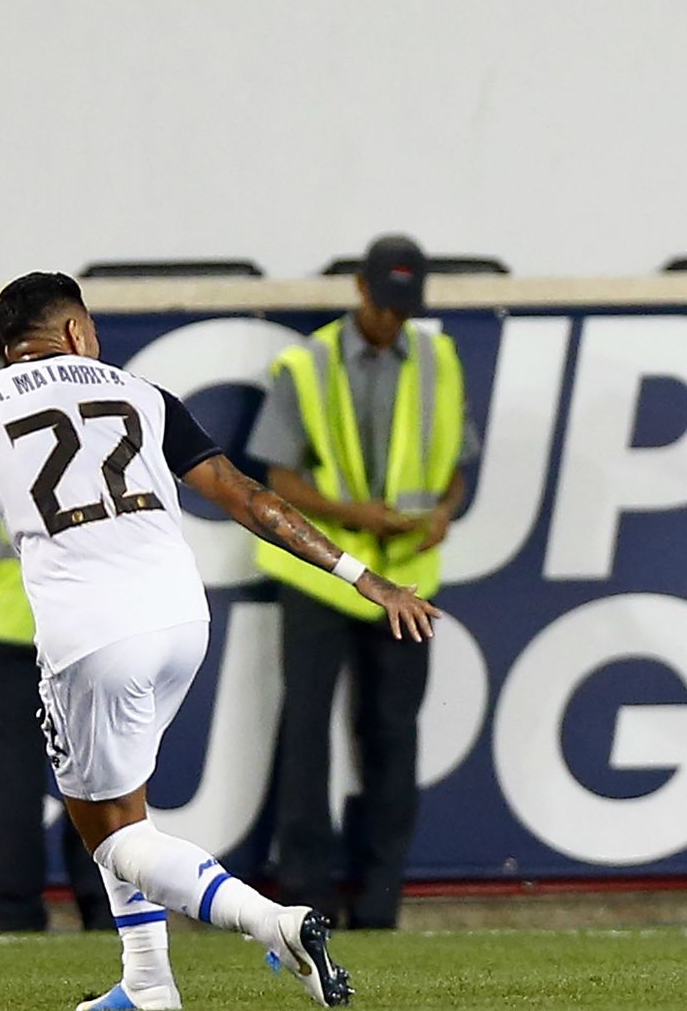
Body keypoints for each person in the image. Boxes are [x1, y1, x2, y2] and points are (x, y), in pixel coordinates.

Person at [0, 271, 442, 1009]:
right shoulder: (139, 392)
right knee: (123, 803)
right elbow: (249, 497)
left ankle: (276, 923)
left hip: (92, 636)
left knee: (105, 832)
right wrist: (363, 576)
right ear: (75, 331)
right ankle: (147, 981)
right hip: (180, 620)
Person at [247, 233, 469, 929]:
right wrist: (355, 516)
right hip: (322, 575)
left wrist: (443, 513)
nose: (392, 321)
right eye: (384, 306)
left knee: (393, 735)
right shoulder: (304, 364)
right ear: (360, 292)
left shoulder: (439, 358)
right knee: (307, 731)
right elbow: (277, 479)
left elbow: (459, 461)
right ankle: (307, 894)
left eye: (406, 308)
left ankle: (380, 899)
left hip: (407, 573)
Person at [0, 475, 111, 934]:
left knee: (7, 787)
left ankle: (14, 914)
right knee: (100, 781)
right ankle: (105, 912)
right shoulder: (89, 456)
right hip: (82, 636)